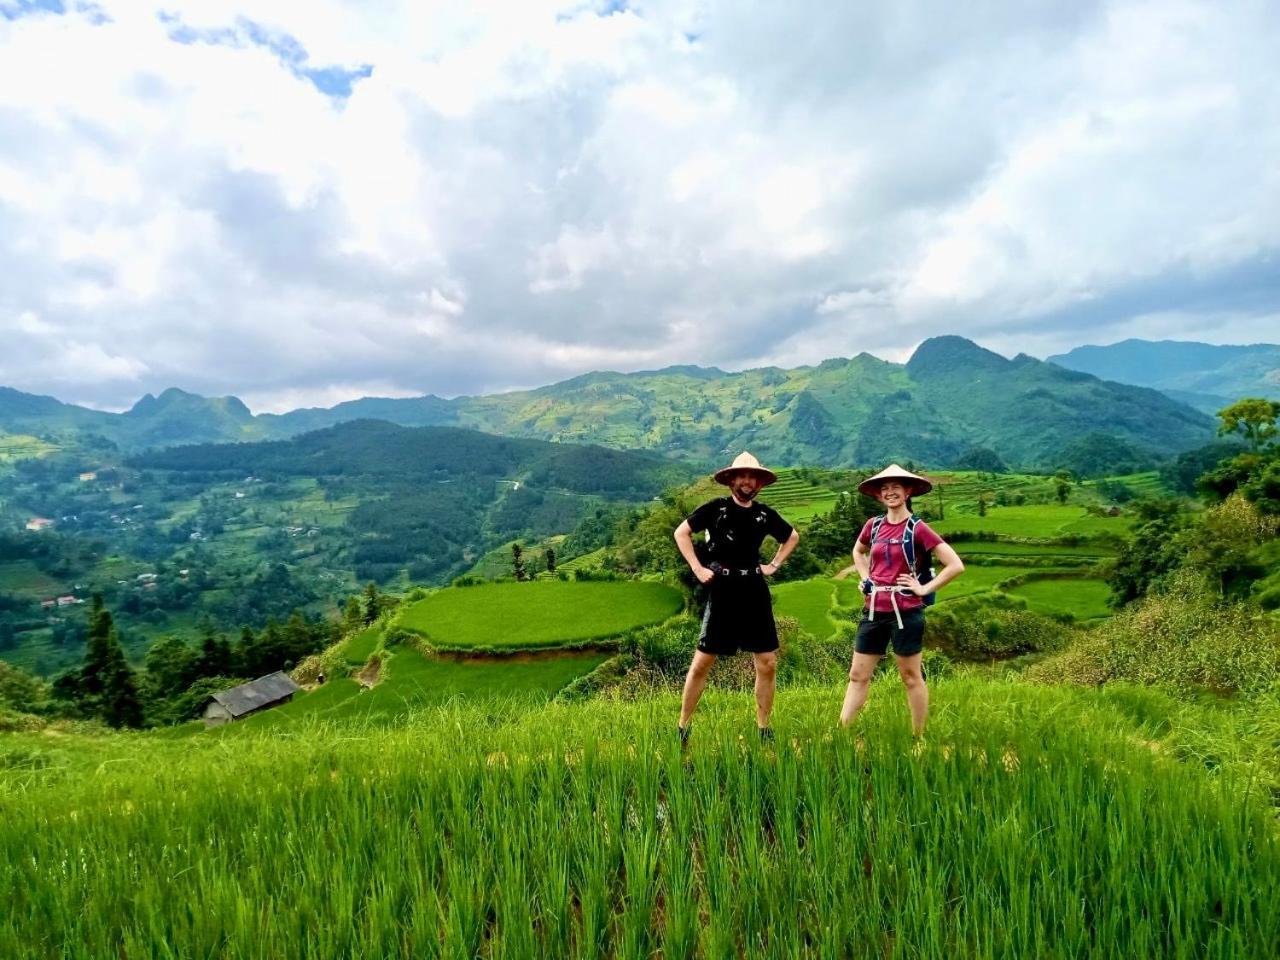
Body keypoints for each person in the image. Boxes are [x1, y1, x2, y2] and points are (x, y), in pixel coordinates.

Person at [673, 452, 801, 744]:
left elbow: (791, 536)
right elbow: (681, 533)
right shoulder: (715, 509)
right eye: (741, 476)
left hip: (754, 588)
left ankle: (764, 727)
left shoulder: (764, 514)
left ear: (759, 483)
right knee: (703, 661)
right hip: (723, 589)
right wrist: (697, 567)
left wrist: (774, 565)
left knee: (767, 662)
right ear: (731, 480)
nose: (747, 481)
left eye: (752, 476)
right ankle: (683, 726)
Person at [838, 464, 964, 736]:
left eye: (896, 487)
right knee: (858, 675)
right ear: (879, 495)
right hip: (873, 610)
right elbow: (858, 552)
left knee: (910, 677)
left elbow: (954, 565)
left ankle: (918, 736)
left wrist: (923, 588)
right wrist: (865, 578)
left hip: (906, 612)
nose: (890, 492)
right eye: (885, 488)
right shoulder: (873, 526)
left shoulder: (918, 528)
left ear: (908, 492)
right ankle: (842, 731)